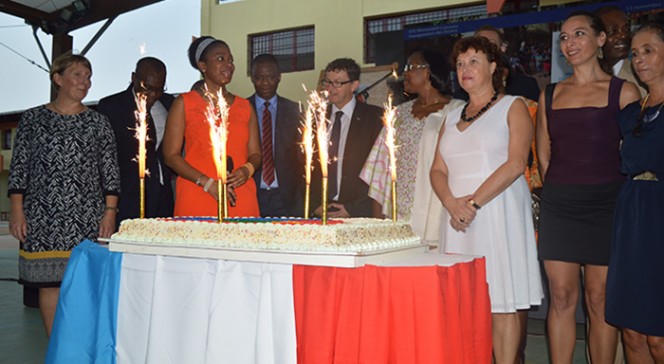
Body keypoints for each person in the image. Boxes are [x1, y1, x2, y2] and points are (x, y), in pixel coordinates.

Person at [536, 11, 640, 364]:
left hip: (607, 205)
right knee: (562, 297)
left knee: (598, 299)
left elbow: (633, 154)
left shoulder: (624, 92)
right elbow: (544, 154)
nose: (570, 43)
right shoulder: (550, 94)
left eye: (579, 34)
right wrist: (560, 192)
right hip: (561, 205)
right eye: (564, 37)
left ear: (600, 40)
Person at [431, 36, 543, 363]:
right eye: (461, 63)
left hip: (497, 211)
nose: (465, 69)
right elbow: (438, 170)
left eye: (474, 61)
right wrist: (452, 203)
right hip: (457, 219)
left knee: (502, 302)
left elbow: (515, 163)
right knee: (463, 303)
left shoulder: (514, 106)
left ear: (493, 67)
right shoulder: (451, 116)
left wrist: (473, 204)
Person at [8, 53, 120, 337]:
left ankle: (82, 347)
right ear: (58, 78)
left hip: (87, 217)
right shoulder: (32, 119)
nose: (86, 82)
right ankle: (58, 349)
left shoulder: (98, 123)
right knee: (49, 284)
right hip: (43, 217)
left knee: (85, 284)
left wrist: (110, 212)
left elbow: (110, 171)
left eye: (88, 76)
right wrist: (17, 210)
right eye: (78, 75)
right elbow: (20, 168)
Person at [360, 48, 463, 241]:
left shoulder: (457, 111)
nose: (404, 72)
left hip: (438, 208)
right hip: (398, 215)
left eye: (411, 66)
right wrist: (378, 224)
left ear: (429, 71)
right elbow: (379, 173)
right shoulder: (398, 114)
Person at [606, 22, 664, 363]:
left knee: (657, 334)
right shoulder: (630, 114)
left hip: (659, 217)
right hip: (631, 216)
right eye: (635, 53)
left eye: (649, 51)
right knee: (630, 331)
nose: (639, 59)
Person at [163, 36, 261, 217]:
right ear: (203, 66)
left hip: (239, 195)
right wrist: (207, 183)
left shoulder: (245, 107)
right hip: (198, 193)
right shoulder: (184, 103)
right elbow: (170, 155)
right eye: (220, 59)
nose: (229, 65)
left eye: (231, 60)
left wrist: (247, 170)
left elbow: (255, 153)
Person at [98, 57, 174, 227]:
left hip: (163, 197)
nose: (153, 95)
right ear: (134, 78)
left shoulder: (170, 104)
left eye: (159, 89)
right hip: (129, 197)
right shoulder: (112, 106)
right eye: (147, 88)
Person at [311, 58, 383, 218]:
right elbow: (304, 164)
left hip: (359, 210)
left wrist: (354, 208)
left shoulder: (374, 118)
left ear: (354, 85)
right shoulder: (316, 118)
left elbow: (379, 169)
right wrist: (314, 204)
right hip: (321, 209)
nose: (330, 88)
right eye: (327, 82)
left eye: (337, 83)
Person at [247, 54, 304, 217]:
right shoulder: (241, 109)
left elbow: (302, 157)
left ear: (279, 77)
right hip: (252, 194)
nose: (265, 83)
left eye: (271, 77)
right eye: (259, 77)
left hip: (287, 197)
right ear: (252, 78)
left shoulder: (295, 111)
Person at [454, 25, 540, 102]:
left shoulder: (526, 85)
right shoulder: (460, 98)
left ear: (501, 49)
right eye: (480, 43)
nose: (486, 47)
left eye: (491, 44)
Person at [597, 6, 647, 96]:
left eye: (626, 29)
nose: (623, 35)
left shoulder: (642, 78)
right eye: (613, 31)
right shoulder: (584, 78)